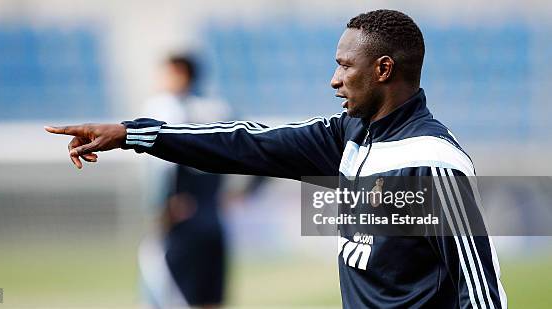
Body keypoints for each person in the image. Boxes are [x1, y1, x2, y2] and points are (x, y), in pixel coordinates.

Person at [46, 9, 506, 308]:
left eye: (346, 66)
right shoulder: (348, 136)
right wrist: (132, 133)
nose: (334, 79)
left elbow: (481, 292)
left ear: (383, 69)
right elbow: (247, 143)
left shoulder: (434, 161)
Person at [138, 55, 232, 308]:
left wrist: (162, 206)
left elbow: (163, 169)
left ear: (181, 74)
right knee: (209, 299)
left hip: (181, 221)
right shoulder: (219, 108)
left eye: (165, 74)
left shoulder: (167, 109)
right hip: (213, 219)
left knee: (167, 295)